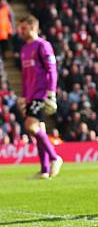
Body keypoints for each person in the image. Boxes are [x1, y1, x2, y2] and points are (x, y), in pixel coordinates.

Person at [17, 15, 62, 179]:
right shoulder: (24, 49)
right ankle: (44, 170)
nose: (20, 31)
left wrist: (51, 91)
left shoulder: (43, 45)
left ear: (33, 27)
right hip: (30, 95)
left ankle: (55, 158)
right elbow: (24, 75)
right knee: (39, 130)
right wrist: (23, 95)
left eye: (23, 28)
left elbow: (52, 70)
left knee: (31, 127)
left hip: (41, 92)